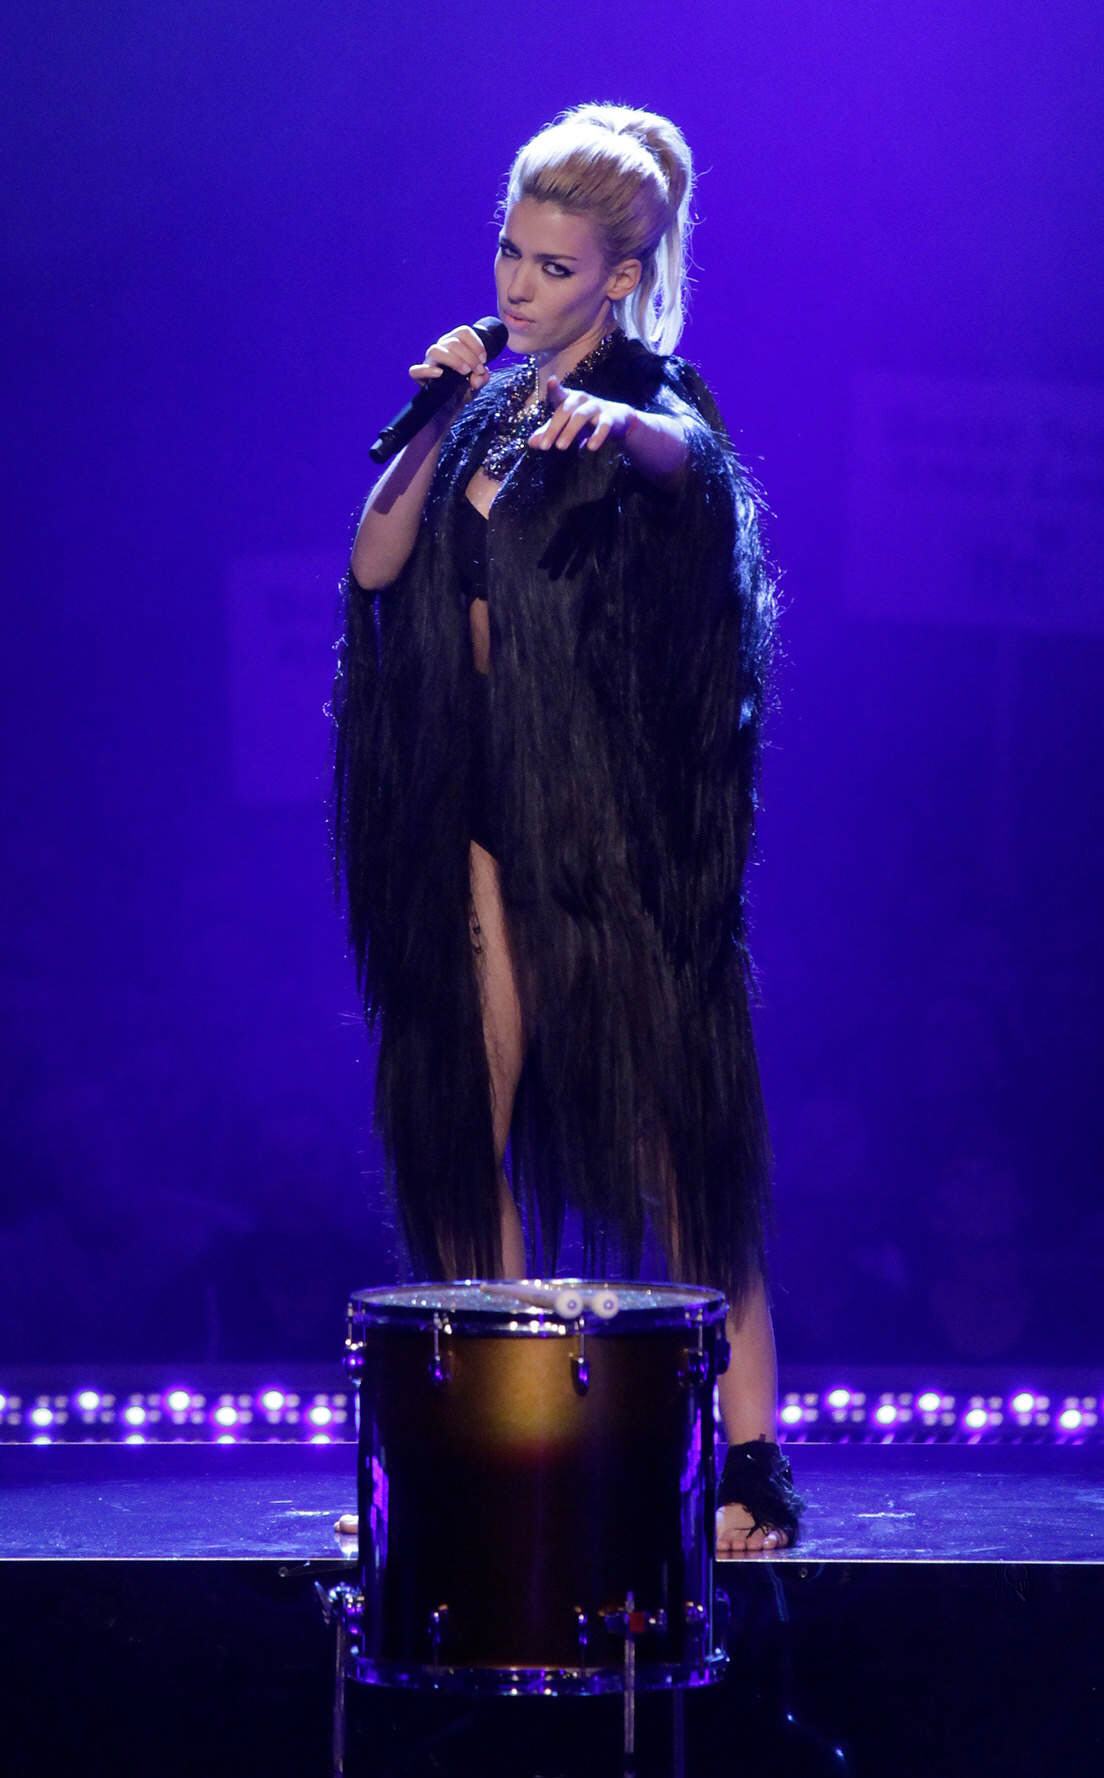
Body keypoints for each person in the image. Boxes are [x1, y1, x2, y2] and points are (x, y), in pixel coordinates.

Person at [329, 102, 803, 1554]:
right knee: (457, 1118)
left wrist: (632, 430)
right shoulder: (478, 399)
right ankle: (495, 1438)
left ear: (620, 276)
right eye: (509, 255)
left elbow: (695, 474)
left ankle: (747, 1456)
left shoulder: (655, 400)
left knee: (677, 1140)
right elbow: (377, 561)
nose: (519, 286)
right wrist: (431, 414)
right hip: (470, 805)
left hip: (604, 826)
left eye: (553, 267)